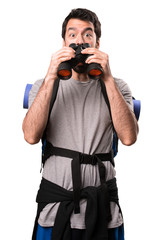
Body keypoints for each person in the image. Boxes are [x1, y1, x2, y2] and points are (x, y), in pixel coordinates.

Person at [22, 8, 139, 240]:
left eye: (88, 35)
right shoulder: (44, 85)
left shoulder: (117, 86)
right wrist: (50, 76)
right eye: (72, 34)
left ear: (97, 42)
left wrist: (106, 77)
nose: (80, 41)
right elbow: (30, 136)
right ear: (64, 42)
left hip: (103, 208)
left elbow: (128, 137)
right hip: (55, 209)